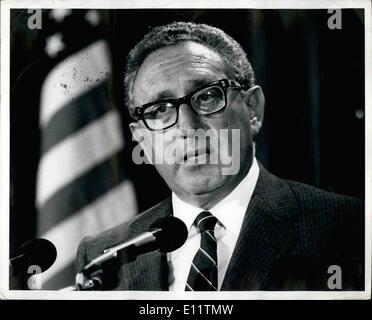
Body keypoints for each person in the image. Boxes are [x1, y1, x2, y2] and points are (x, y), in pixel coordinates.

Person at [75, 22, 364, 291]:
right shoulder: (104, 257)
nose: (187, 127)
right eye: (160, 110)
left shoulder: (351, 227)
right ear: (142, 139)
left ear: (253, 109)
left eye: (206, 96)